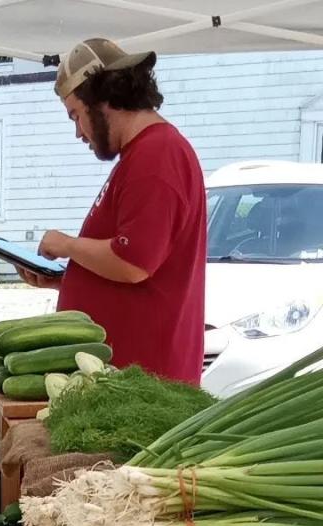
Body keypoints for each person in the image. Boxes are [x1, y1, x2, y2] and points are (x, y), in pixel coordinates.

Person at [19, 39, 206, 385]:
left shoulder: (157, 156)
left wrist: (67, 245)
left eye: (76, 115)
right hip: (125, 382)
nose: (78, 132)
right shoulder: (143, 154)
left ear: (104, 99)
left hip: (141, 385)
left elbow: (133, 262)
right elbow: (136, 259)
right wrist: (66, 278)